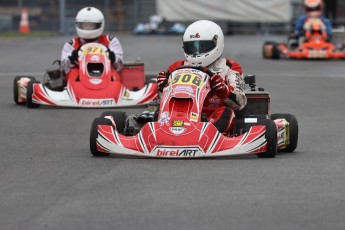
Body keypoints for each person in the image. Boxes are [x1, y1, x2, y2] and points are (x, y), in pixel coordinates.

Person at [157, 20, 247, 136]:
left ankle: (207, 136)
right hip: (179, 115)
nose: (197, 52)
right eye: (192, 47)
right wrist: (162, 88)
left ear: (217, 43)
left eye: (203, 46)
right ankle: (162, 134)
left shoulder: (229, 67)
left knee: (227, 112)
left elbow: (240, 103)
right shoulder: (176, 67)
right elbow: (162, 103)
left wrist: (223, 90)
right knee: (156, 114)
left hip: (212, 117)